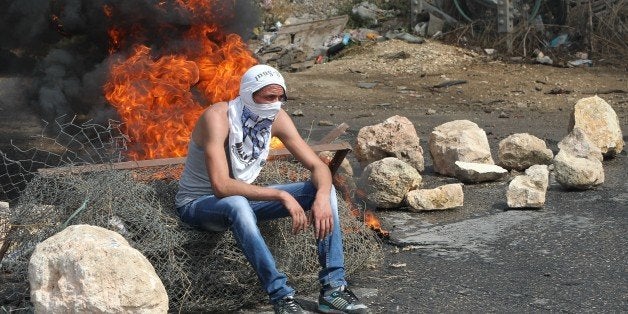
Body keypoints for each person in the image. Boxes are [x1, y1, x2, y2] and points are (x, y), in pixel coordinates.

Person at [174, 64, 369, 314]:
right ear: (247, 94)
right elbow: (222, 186)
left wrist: (320, 198)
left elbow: (317, 166)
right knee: (237, 203)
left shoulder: (276, 118)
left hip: (241, 199)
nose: (275, 104)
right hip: (199, 203)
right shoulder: (218, 117)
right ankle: (281, 297)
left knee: (322, 189)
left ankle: (333, 289)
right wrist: (280, 194)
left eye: (280, 97)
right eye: (268, 97)